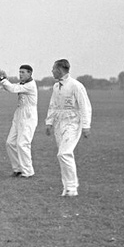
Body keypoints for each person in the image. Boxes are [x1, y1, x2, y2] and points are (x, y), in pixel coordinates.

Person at [45, 59, 92, 197]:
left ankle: (72, 187)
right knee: (62, 154)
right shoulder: (56, 87)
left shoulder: (76, 86)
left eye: (53, 68)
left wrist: (86, 126)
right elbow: (53, 104)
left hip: (73, 122)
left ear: (60, 69)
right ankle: (66, 187)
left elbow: (85, 106)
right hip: (59, 123)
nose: (52, 71)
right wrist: (49, 122)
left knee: (64, 153)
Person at [0, 65, 38, 178]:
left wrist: (2, 78)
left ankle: (28, 172)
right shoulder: (22, 84)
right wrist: (4, 78)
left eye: (23, 72)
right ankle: (18, 169)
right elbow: (11, 87)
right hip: (19, 113)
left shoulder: (30, 85)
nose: (20, 74)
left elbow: (12, 89)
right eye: (20, 72)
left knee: (22, 143)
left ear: (30, 74)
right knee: (10, 143)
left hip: (28, 115)